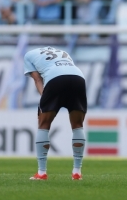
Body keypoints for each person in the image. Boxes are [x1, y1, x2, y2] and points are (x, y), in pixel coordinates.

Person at [23, 46, 87, 181]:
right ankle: (77, 172)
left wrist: (45, 99)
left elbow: (38, 80)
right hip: (78, 77)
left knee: (43, 124)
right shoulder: (63, 52)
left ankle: (41, 173)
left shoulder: (29, 55)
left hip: (55, 78)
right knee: (77, 125)